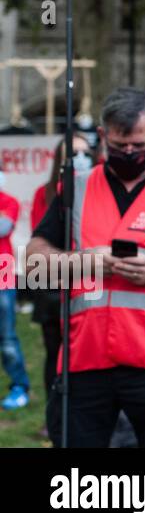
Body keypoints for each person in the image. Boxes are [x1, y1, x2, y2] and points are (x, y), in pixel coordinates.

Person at [26, 87, 145, 447]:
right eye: (118, 146)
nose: (129, 153)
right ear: (102, 137)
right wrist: (89, 262)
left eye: (139, 145)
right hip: (84, 362)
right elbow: (35, 265)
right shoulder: (75, 188)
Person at [29, 135, 94, 398]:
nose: (80, 158)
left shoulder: (97, 191)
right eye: (73, 153)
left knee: (87, 352)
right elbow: (39, 240)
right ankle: (55, 409)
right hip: (54, 282)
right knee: (55, 351)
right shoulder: (45, 193)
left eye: (84, 152)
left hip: (89, 279)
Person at [0, 166, 30, 410]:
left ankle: (19, 386)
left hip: (3, 280)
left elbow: (3, 228)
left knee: (7, 338)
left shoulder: (8, 201)